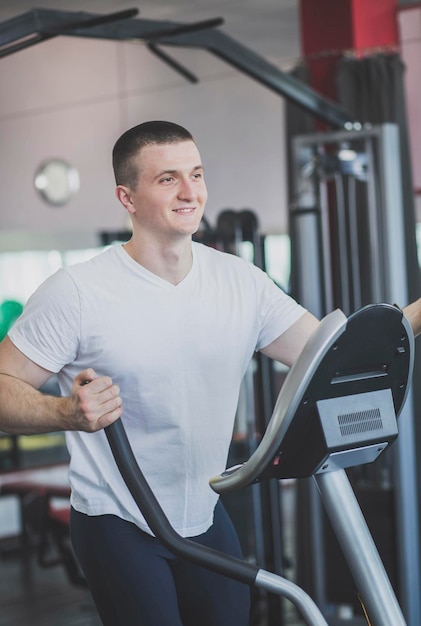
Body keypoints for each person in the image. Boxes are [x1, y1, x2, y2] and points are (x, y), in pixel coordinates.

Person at [0, 120, 420, 626]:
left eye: (196, 175)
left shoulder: (241, 282)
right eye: (168, 179)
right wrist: (65, 411)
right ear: (126, 197)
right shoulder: (77, 292)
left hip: (206, 510)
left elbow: (335, 354)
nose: (189, 192)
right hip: (121, 521)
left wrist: (411, 318)